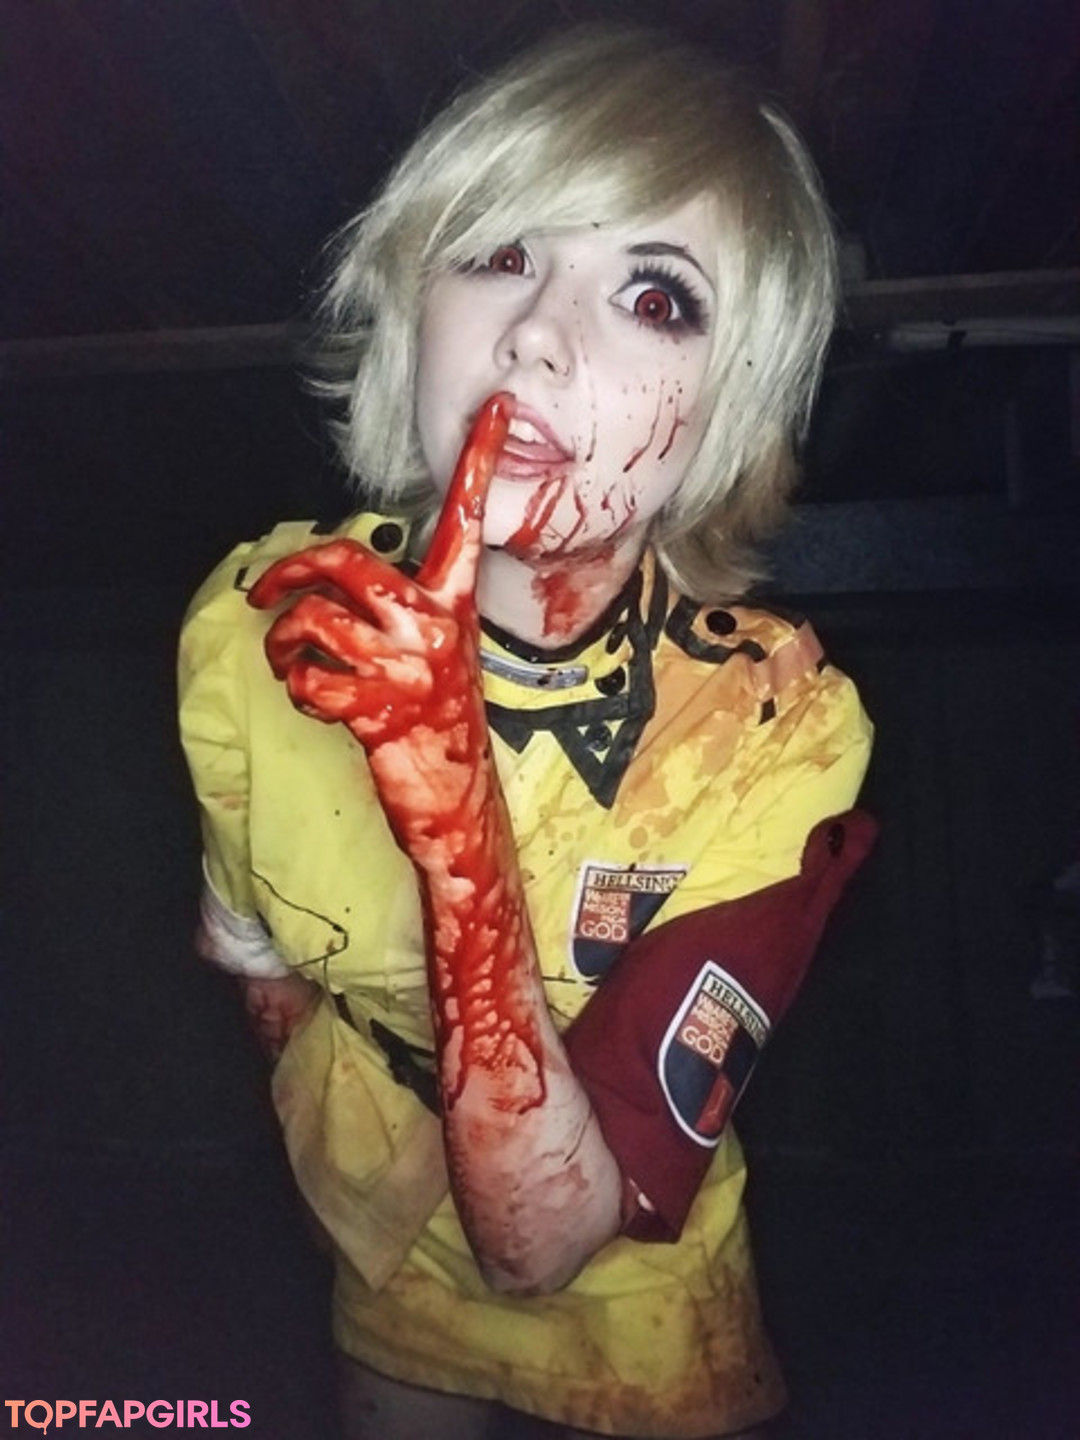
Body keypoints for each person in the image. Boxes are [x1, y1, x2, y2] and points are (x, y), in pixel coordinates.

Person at [178, 22, 875, 1439]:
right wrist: (328, 1140)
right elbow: (254, 956)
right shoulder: (260, 619)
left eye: (655, 296)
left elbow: (544, 1244)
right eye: (498, 252)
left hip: (628, 1282)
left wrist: (453, 817)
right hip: (378, 1227)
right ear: (414, 308)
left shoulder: (777, 730)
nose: (537, 335)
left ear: (728, 408)